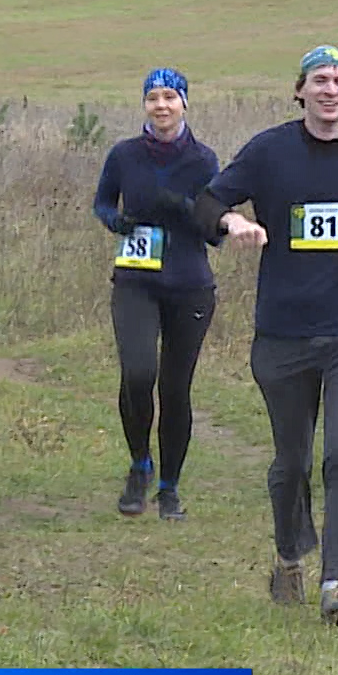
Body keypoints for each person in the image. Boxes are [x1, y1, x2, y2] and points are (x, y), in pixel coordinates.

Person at [192, 45, 338, 626]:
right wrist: (234, 221)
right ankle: (290, 554)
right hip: (283, 333)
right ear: (301, 91)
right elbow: (207, 201)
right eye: (320, 80)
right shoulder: (270, 151)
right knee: (292, 462)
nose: (331, 89)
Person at [92, 67, 222, 522]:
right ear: (144, 105)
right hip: (135, 281)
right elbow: (103, 202)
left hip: (189, 286)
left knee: (174, 387)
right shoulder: (124, 155)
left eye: (170, 96)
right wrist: (115, 222)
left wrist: (185, 209)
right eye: (153, 97)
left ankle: (170, 487)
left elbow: (216, 230)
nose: (161, 105)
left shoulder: (204, 160)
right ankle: (139, 464)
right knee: (138, 373)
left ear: (185, 102)